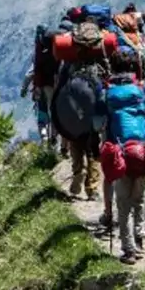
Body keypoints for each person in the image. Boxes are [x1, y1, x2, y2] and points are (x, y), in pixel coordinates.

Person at [102, 49, 145, 264]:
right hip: (142, 151)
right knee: (139, 199)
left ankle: (129, 250)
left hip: (119, 151)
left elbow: (98, 122)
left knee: (123, 203)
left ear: (112, 67)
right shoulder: (142, 90)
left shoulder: (106, 92)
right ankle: (140, 239)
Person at [51, 57, 106, 202]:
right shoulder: (95, 64)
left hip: (71, 115)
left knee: (75, 143)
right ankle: (92, 188)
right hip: (90, 115)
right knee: (92, 151)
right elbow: (101, 93)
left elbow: (58, 92)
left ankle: (78, 172)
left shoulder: (66, 65)